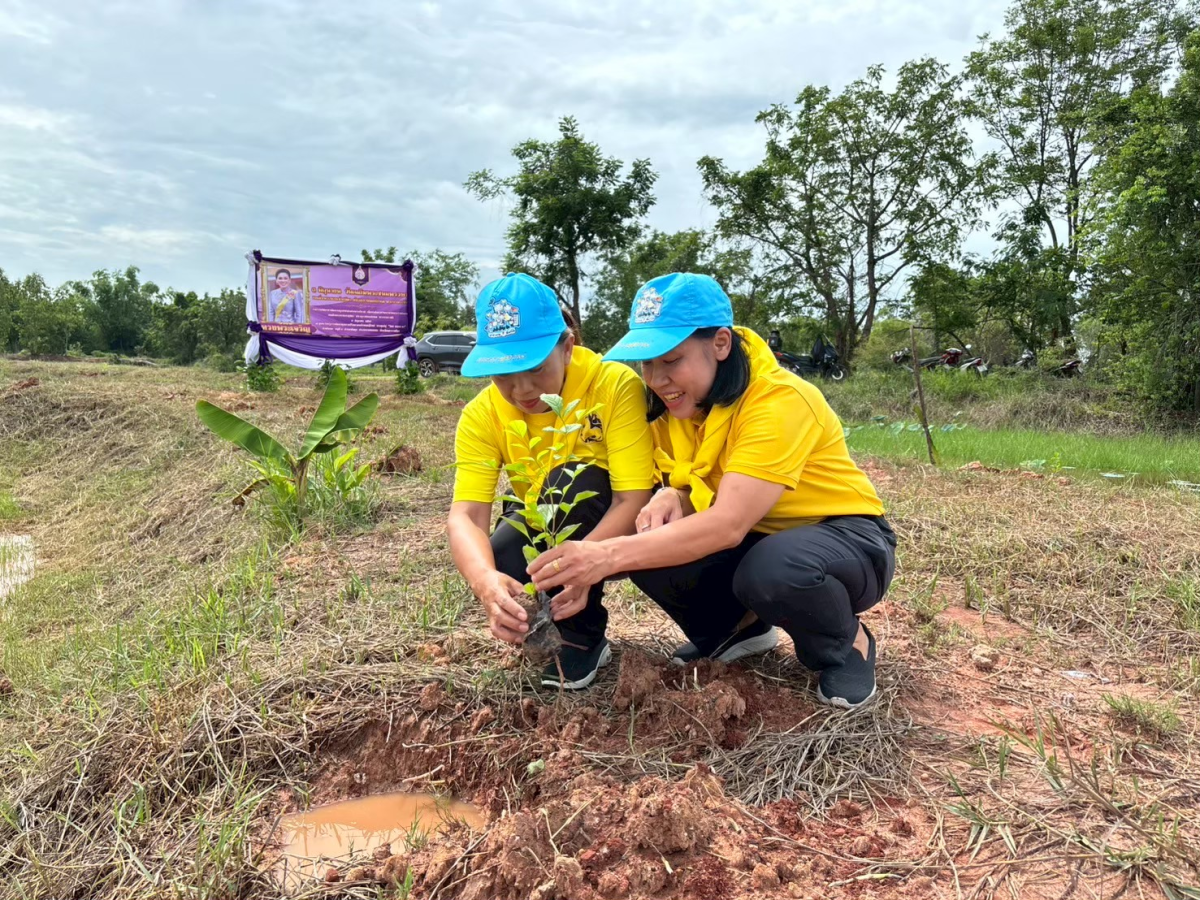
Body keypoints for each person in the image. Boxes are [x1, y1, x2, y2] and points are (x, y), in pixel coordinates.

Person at [528, 273, 896, 708]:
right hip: (759, 537)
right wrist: (673, 495)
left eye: (671, 360)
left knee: (774, 568)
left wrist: (603, 556)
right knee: (651, 530)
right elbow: (696, 485)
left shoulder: (778, 401)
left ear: (720, 344)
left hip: (843, 538)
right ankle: (738, 630)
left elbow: (727, 524)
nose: (657, 379)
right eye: (647, 364)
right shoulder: (677, 406)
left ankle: (845, 645)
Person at [447, 273, 654, 690]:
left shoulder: (613, 386)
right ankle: (557, 637)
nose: (521, 389)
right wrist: (484, 581)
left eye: (535, 368)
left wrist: (585, 565)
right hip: (543, 515)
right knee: (504, 553)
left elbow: (634, 497)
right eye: (503, 374)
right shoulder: (481, 414)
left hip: (613, 523)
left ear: (568, 346)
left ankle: (581, 635)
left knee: (569, 485)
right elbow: (465, 516)